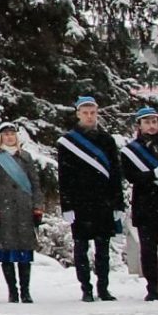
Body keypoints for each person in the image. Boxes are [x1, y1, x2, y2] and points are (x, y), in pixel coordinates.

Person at [55, 96, 125, 303]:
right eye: (85, 112)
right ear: (77, 114)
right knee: (81, 247)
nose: (89, 116)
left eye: (92, 112)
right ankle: (86, 288)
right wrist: (67, 205)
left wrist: (117, 203)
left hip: (103, 202)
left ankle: (103, 288)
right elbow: (64, 177)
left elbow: (115, 174)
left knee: (102, 248)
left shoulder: (107, 140)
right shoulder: (68, 142)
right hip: (80, 202)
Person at [118, 107, 158, 303]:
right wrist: (152, 175)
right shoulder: (130, 151)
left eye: (154, 122)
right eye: (147, 122)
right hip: (145, 205)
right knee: (148, 250)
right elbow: (131, 176)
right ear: (139, 125)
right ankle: (153, 289)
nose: (152, 126)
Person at [0, 124, 46, 302]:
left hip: (24, 209)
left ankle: (25, 291)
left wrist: (37, 207)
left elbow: (35, 184)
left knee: (25, 252)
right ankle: (12, 291)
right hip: (4, 210)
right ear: (0, 138)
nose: (9, 137)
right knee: (6, 251)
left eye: (12, 134)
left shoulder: (26, 157)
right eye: (6, 135)